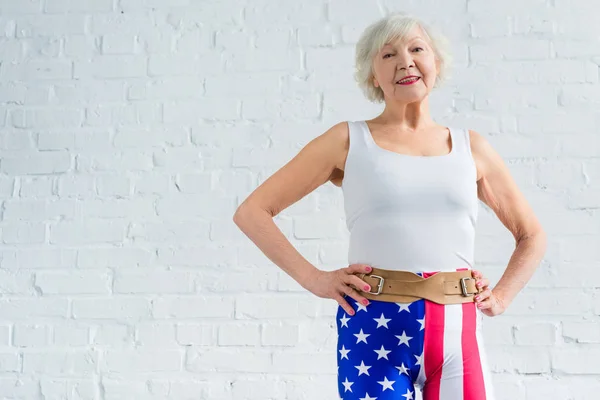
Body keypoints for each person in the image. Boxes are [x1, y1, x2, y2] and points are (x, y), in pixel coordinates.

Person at [233, 12, 547, 400]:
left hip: (456, 330)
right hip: (373, 327)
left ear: (437, 63)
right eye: (388, 55)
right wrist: (315, 279)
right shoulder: (348, 140)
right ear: (372, 76)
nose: (406, 61)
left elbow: (531, 234)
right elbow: (252, 212)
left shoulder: (472, 148)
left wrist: (501, 296)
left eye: (417, 49)